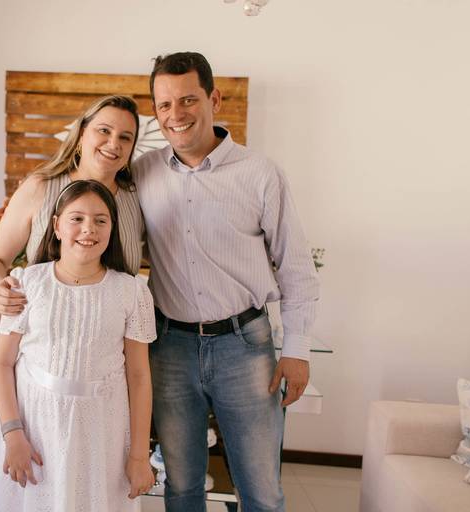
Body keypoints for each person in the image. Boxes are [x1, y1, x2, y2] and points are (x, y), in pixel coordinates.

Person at [133, 52, 320, 512]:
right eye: (164, 104)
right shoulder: (142, 173)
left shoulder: (260, 173)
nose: (176, 114)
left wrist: (297, 350)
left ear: (214, 99)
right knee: (181, 487)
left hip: (245, 347)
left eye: (188, 100)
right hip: (169, 348)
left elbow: (296, 267)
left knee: (261, 492)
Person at [0, 180, 156, 511]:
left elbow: (139, 377)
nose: (89, 229)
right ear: (57, 226)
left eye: (101, 220)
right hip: (33, 427)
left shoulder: (131, 292)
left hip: (102, 431)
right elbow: (1, 364)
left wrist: (138, 455)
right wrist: (13, 434)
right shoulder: (27, 282)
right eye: (77, 218)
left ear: (112, 229)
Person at [0, 95, 145, 314]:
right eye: (104, 130)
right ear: (82, 133)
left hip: (116, 331)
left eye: (125, 137)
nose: (114, 143)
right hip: (44, 328)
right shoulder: (39, 187)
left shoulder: (138, 196)